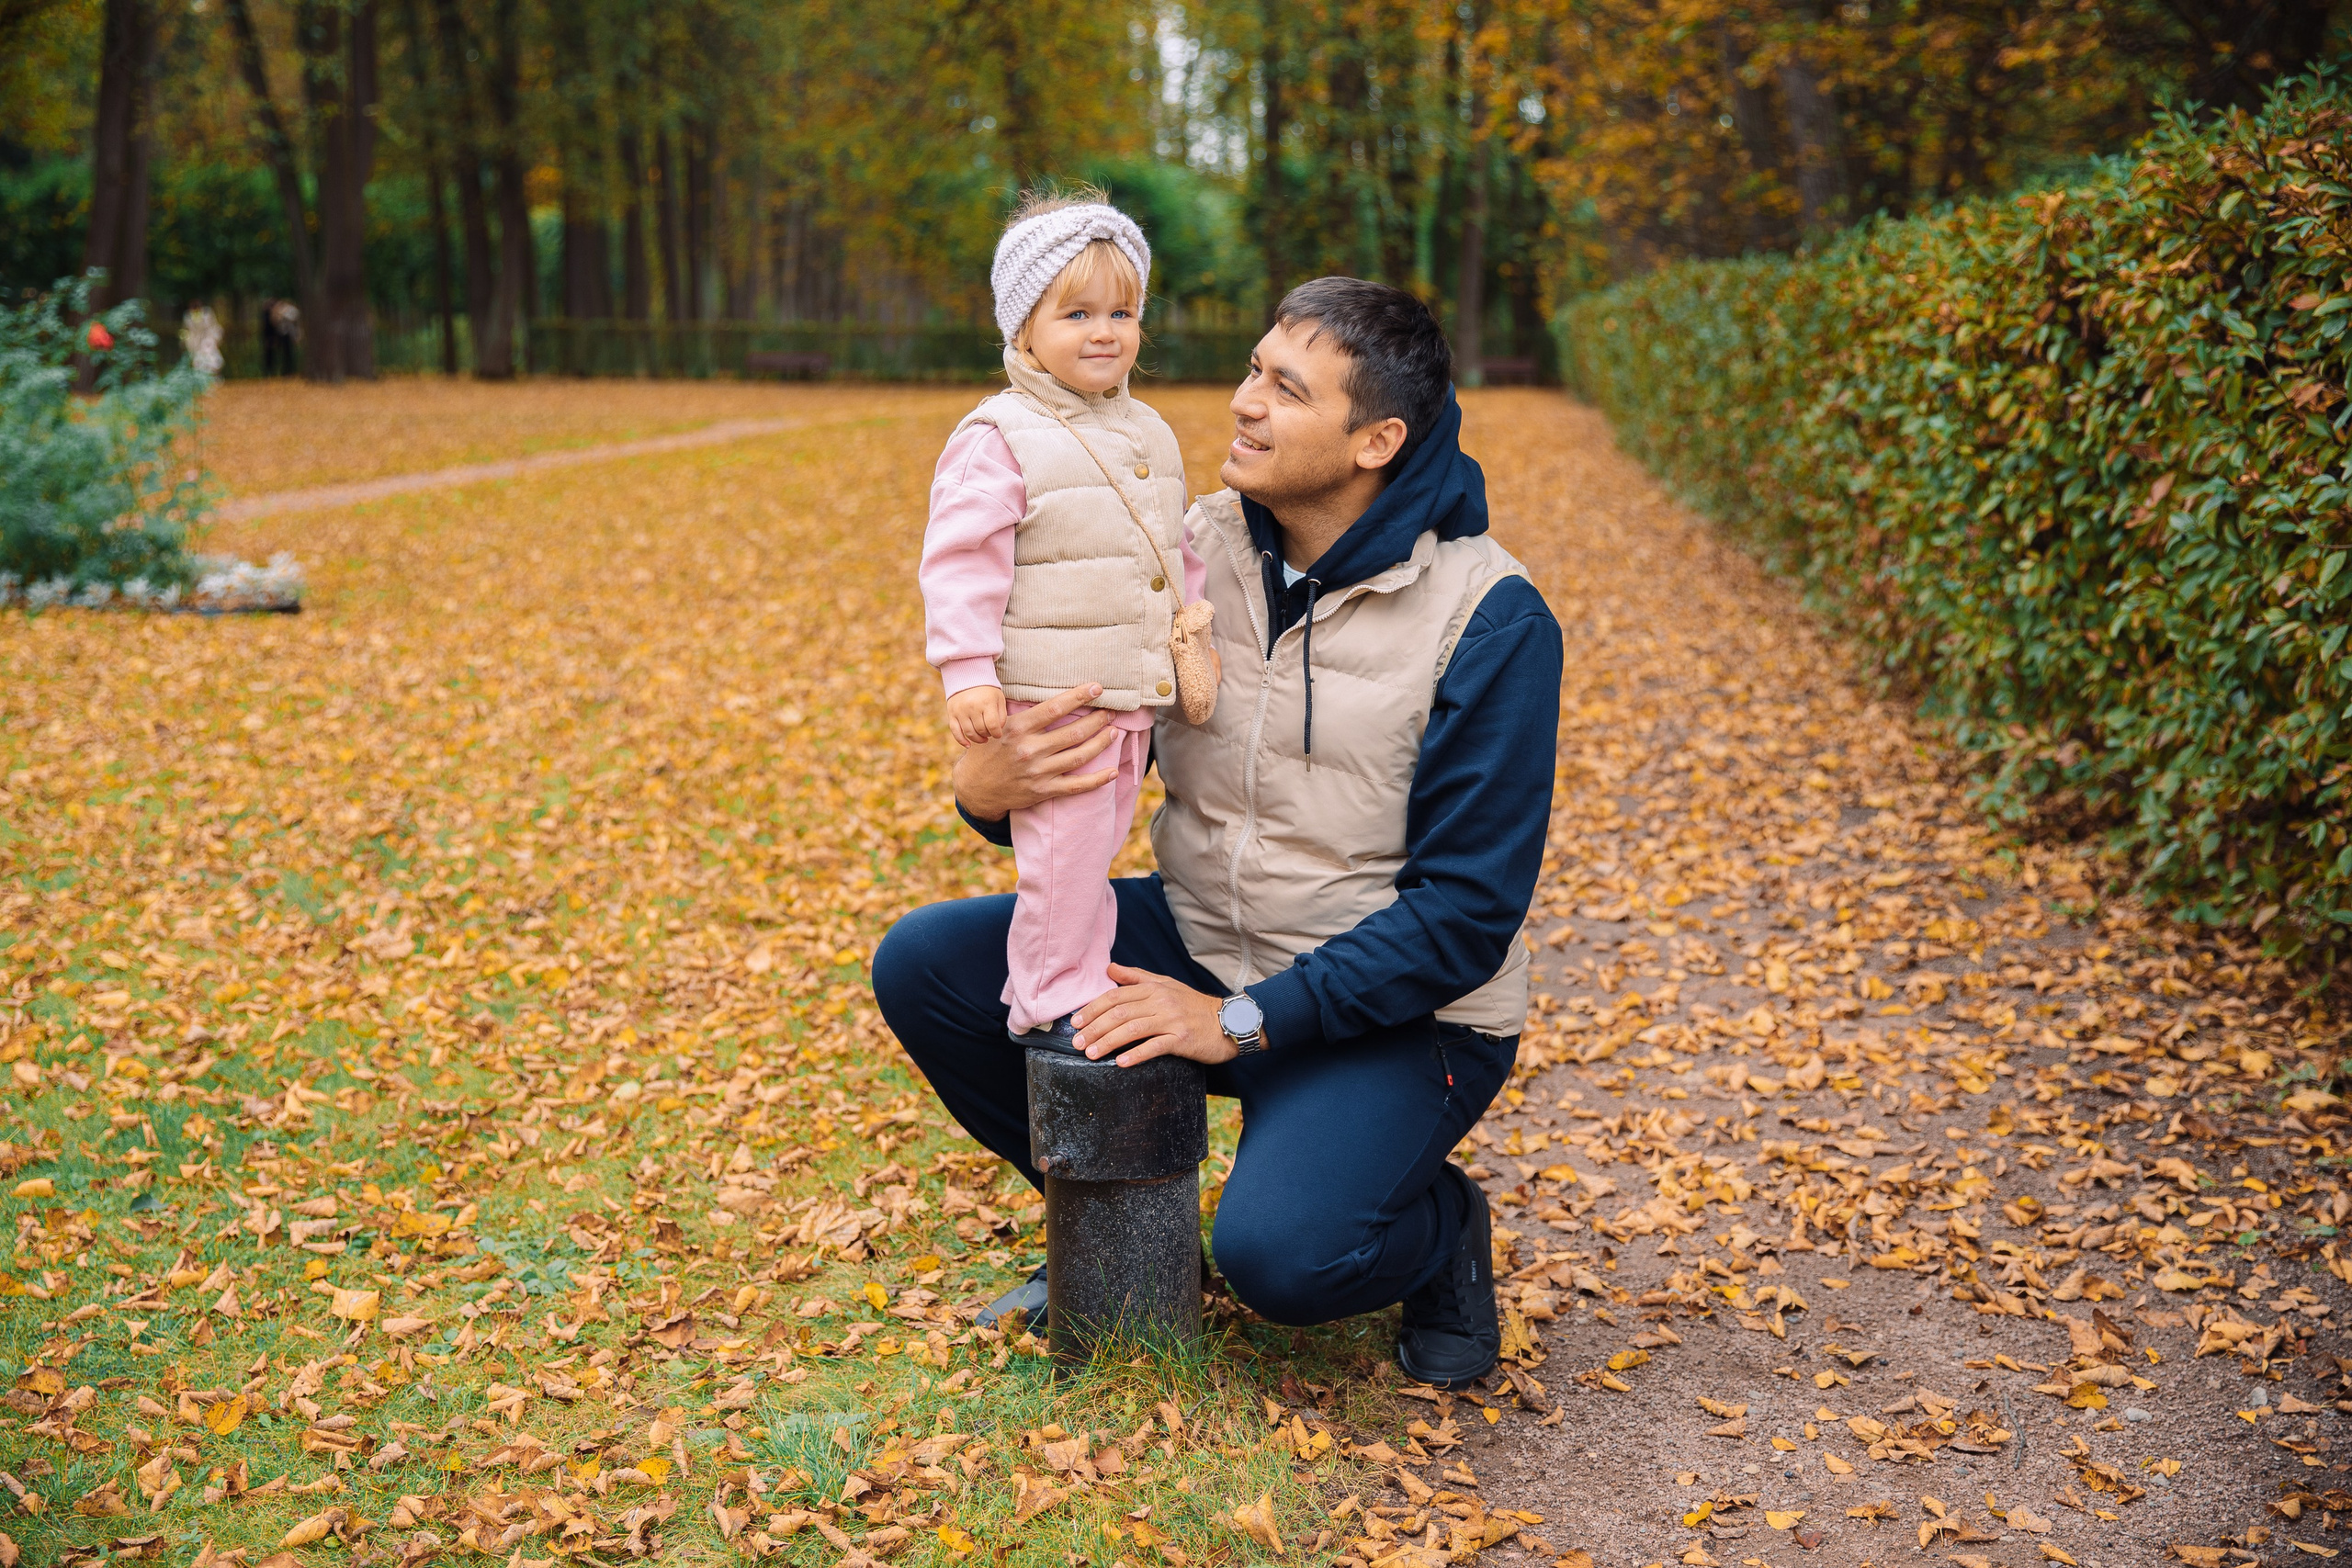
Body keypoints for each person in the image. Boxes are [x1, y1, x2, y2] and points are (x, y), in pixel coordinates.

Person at [875, 276, 1562, 1389]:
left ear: (1375, 439)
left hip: (1401, 1009)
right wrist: (990, 788)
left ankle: (1437, 1231)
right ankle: (1121, 1230)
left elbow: (1465, 917)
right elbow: (1092, 763)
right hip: (1202, 926)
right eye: (1252, 369)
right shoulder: (1183, 546)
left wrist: (1237, 1021)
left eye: (1285, 390)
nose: (1243, 402)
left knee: (1283, 1261)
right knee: (928, 967)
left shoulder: (1489, 616)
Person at [918, 189, 1212, 1046]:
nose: (1104, 331)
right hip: (1055, 692)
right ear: (1023, 327)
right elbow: (961, 562)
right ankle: (1047, 997)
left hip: (1128, 689)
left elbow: (1170, 547)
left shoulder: (1149, 430)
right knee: (1063, 858)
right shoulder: (999, 434)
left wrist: (1193, 625)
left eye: (1123, 311)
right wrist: (967, 672)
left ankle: (1077, 970)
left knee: (1101, 850)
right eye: (1076, 312)